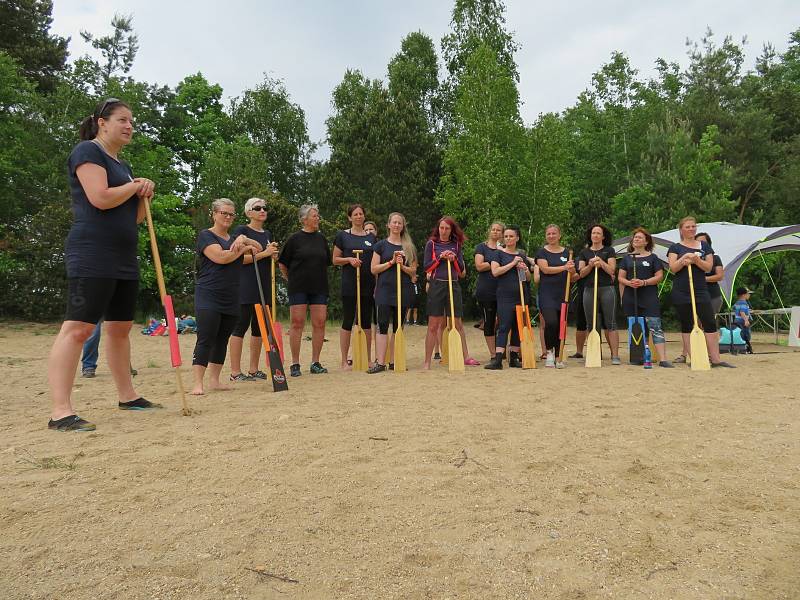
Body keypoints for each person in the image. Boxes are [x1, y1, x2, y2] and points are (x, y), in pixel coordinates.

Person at [47, 98, 158, 432]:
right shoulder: (87, 152)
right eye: (122, 120)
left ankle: (128, 395)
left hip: (123, 256)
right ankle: (60, 411)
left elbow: (134, 217)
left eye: (132, 122)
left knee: (120, 328)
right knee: (79, 327)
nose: (129, 126)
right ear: (102, 122)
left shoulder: (121, 165)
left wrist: (143, 196)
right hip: (92, 251)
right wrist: (133, 186)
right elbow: (100, 197)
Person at [191, 199, 263, 394]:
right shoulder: (206, 235)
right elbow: (221, 257)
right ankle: (198, 382)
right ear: (214, 214)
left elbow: (259, 248)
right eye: (224, 213)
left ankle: (215, 380)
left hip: (232, 296)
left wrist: (245, 240)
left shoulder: (234, 239)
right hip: (208, 294)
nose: (228, 217)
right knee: (206, 337)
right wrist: (242, 249)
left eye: (231, 214)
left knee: (222, 338)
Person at [667, 216, 734, 367]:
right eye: (688, 227)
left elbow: (708, 267)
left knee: (709, 322)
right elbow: (673, 268)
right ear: (681, 230)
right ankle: (694, 358)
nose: (691, 229)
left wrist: (696, 260)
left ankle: (716, 359)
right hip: (681, 290)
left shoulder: (704, 246)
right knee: (687, 323)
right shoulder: (675, 248)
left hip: (701, 290)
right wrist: (684, 258)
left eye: (693, 226)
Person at [228, 197, 278, 381]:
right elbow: (237, 257)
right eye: (258, 208)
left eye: (265, 207)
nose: (262, 210)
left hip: (263, 284)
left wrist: (272, 256)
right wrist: (264, 254)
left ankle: (253, 368)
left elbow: (268, 257)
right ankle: (235, 371)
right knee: (240, 327)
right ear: (249, 212)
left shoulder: (267, 233)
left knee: (260, 329)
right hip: (246, 284)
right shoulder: (242, 231)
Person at [278, 204, 331, 376]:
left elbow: (326, 262)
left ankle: (315, 362)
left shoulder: (322, 239)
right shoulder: (294, 239)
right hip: (298, 286)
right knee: (297, 322)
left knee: (320, 322)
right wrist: (291, 279)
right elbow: (282, 264)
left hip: (319, 286)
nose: (318, 218)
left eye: (318, 215)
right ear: (304, 219)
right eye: (314, 216)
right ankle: (295, 363)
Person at [422, 217, 479, 368]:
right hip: (437, 285)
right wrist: (440, 258)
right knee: (433, 325)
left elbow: (461, 272)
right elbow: (427, 268)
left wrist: (453, 259)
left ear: (451, 230)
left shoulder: (456, 245)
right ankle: (427, 361)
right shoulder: (432, 244)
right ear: (438, 228)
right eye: (442, 228)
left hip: (453, 285)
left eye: (447, 228)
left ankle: (466, 356)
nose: (444, 231)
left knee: (458, 323)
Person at [368, 213, 418, 373]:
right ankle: (380, 363)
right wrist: (390, 262)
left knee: (398, 327)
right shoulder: (381, 245)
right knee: (382, 325)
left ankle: (394, 361)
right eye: (394, 222)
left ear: (403, 226)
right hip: (384, 291)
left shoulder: (409, 247)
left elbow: (413, 271)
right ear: (388, 225)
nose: (397, 225)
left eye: (400, 223)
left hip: (402, 290)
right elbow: (373, 269)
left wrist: (402, 266)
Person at [618, 228, 673, 367]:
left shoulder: (653, 258)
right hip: (631, 296)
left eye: (640, 237)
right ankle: (639, 356)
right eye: (635, 237)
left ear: (646, 241)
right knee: (636, 326)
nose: (637, 239)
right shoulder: (626, 258)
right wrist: (630, 283)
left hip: (649, 296)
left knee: (655, 326)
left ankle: (663, 359)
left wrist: (644, 282)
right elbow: (620, 278)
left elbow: (659, 276)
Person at [333, 203, 377, 370]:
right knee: (348, 319)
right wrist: (349, 260)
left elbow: (375, 260)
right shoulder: (342, 236)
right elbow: (335, 259)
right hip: (350, 283)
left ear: (364, 216)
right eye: (355, 214)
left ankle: (366, 358)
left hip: (367, 283)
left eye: (361, 214)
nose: (358, 216)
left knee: (366, 320)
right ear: (350, 217)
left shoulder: (371, 238)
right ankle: (344, 360)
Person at [485, 226, 530, 370]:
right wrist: (512, 264)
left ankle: (514, 357)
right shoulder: (498, 254)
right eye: (506, 236)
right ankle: (498, 359)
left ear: (517, 238)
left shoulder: (521, 255)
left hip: (520, 295)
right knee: (504, 326)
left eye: (511, 236)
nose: (508, 239)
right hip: (505, 296)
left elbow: (526, 279)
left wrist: (525, 270)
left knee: (518, 327)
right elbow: (495, 272)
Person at [577, 224, 621, 365]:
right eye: (593, 233)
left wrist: (601, 262)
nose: (595, 235)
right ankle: (594, 353)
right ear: (590, 236)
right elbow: (581, 273)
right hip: (589, 289)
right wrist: (590, 265)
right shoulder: (584, 252)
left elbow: (612, 270)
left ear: (603, 236)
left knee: (611, 322)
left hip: (607, 288)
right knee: (591, 323)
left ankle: (615, 355)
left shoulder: (609, 251)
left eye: (598, 233)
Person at [535, 224, 576, 368]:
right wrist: (564, 268)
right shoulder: (541, 253)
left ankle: (558, 357)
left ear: (559, 235)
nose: (551, 236)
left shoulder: (567, 253)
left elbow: (573, 276)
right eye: (548, 234)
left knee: (561, 326)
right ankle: (549, 352)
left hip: (563, 294)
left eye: (554, 233)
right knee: (551, 322)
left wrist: (572, 271)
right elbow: (545, 270)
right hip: (547, 294)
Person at [474, 222, 503, 358]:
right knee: (489, 322)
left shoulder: (505, 249)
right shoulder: (481, 247)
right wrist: (494, 262)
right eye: (493, 229)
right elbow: (479, 266)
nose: (495, 232)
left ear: (502, 234)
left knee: (505, 322)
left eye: (498, 230)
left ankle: (503, 351)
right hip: (486, 290)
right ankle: (493, 354)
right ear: (489, 231)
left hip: (504, 291)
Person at [733, 286, 754, 354]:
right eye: (748, 293)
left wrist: (747, 310)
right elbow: (742, 312)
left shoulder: (737, 302)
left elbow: (735, 308)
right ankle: (746, 349)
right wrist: (746, 320)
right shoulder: (744, 303)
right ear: (743, 295)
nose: (749, 295)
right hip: (743, 322)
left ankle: (740, 348)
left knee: (739, 334)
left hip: (737, 321)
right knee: (746, 335)